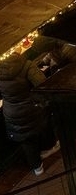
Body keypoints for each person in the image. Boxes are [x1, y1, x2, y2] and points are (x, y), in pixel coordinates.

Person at [0, 48, 58, 177]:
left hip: (11, 111)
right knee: (43, 125)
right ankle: (49, 147)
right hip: (31, 107)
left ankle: (37, 167)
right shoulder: (27, 65)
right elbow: (42, 83)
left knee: (26, 139)